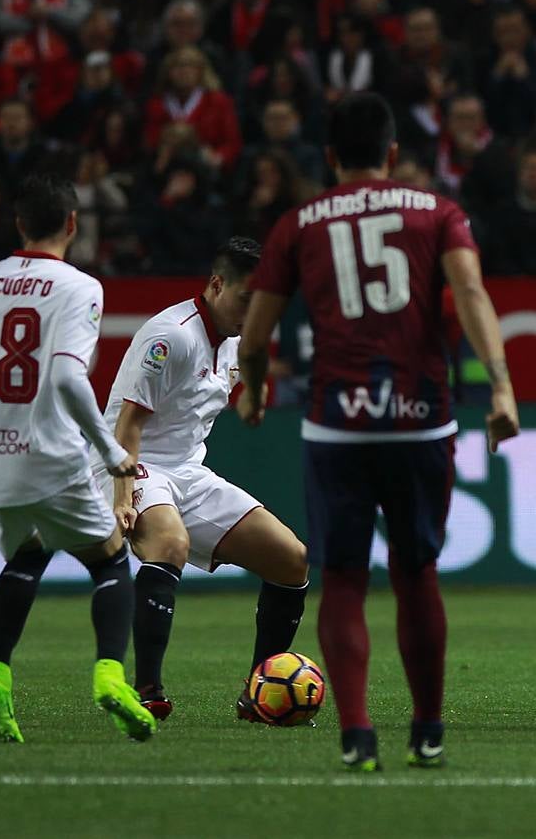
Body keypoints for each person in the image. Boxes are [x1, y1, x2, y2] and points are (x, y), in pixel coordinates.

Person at [236, 91, 519, 771]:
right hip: (422, 418)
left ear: (330, 157)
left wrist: (251, 388)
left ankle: (358, 733)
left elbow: (255, 331)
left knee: (342, 579)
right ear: (393, 154)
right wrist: (502, 385)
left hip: (339, 427)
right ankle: (427, 730)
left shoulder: (299, 223)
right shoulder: (439, 213)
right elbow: (472, 295)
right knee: (418, 572)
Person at [0, 174, 155, 743]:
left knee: (26, 556)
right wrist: (109, 451)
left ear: (17, 224)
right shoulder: (79, 286)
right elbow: (64, 375)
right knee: (109, 560)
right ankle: (110, 674)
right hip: (46, 458)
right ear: (73, 225)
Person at [91, 237, 309, 720]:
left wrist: (254, 395)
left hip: (188, 471)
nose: (253, 311)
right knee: (170, 545)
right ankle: (147, 689)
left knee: (291, 560)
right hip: (132, 461)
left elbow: (250, 367)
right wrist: (123, 497)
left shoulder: (241, 338)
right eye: (245, 299)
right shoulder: (170, 337)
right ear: (216, 284)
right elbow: (128, 426)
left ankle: (259, 692)